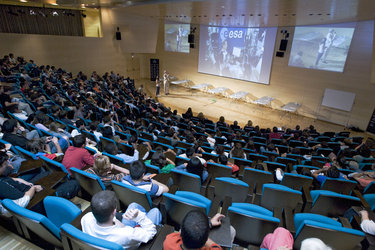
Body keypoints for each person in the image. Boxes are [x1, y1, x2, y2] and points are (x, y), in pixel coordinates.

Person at [81, 190, 161, 249]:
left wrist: (119, 223)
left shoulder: (86, 218)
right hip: (135, 240)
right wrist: (139, 217)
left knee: (133, 205)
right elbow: (151, 232)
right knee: (155, 212)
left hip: (120, 233)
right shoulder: (128, 234)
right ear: (114, 211)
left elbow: (119, 225)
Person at [163, 210, 235, 250]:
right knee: (232, 231)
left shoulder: (169, 241)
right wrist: (208, 225)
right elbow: (216, 247)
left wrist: (209, 224)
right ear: (205, 240)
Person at [0, 151, 44, 216]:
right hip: (32, 201)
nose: (8, 164)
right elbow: (24, 198)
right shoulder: (2, 186)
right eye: (5, 164)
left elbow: (7, 179)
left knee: (43, 172)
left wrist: (18, 180)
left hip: (26, 187)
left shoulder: (2, 177)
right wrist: (33, 188)